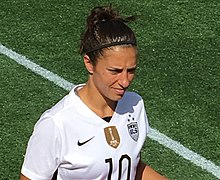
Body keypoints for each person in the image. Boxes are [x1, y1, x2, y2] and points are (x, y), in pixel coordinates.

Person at [20, 5, 168, 180]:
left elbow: (130, 167)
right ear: (89, 64)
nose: (125, 81)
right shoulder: (57, 124)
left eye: (131, 70)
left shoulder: (134, 105)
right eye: (115, 71)